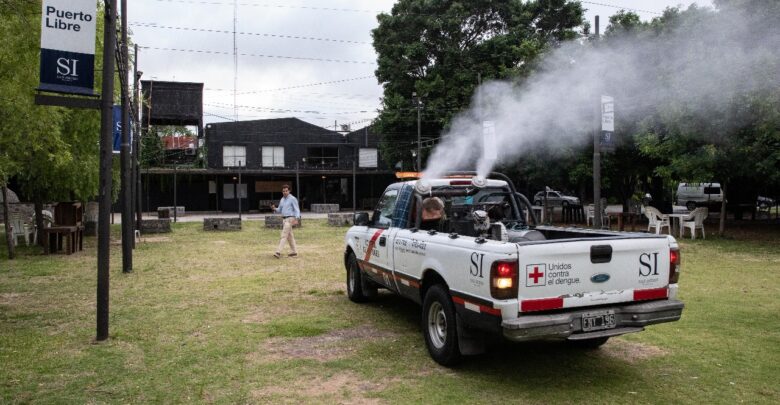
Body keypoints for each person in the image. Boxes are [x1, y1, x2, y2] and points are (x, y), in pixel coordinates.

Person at [270, 184, 301, 258]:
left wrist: (297, 218)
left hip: (290, 219)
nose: (285, 192)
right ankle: (294, 252)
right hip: (284, 219)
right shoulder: (282, 199)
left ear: (289, 191)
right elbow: (280, 210)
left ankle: (278, 252)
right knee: (290, 237)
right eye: (283, 191)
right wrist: (274, 208)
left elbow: (297, 210)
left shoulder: (293, 199)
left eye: (286, 191)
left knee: (283, 235)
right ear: (282, 191)